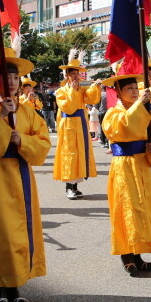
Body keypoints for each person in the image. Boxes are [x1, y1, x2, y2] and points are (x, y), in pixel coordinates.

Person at [0, 47, 51, 302]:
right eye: (6, 78)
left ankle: (15, 285)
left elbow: (43, 142)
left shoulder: (29, 112)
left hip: (21, 175)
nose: (13, 82)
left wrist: (23, 140)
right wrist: (3, 118)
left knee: (19, 232)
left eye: (16, 78)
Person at [101, 72, 151, 275]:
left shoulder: (145, 111)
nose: (134, 92)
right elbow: (124, 129)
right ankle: (126, 253)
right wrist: (140, 106)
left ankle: (139, 252)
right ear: (118, 93)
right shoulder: (112, 113)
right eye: (129, 89)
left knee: (142, 209)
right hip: (125, 166)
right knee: (127, 208)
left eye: (136, 88)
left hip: (143, 165)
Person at [53, 56, 101, 200]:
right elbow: (68, 107)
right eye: (72, 74)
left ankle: (75, 187)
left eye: (77, 73)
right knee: (70, 155)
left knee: (81, 154)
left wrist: (95, 86)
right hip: (68, 126)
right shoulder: (61, 91)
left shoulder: (81, 89)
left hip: (81, 125)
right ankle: (69, 187)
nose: (75, 76)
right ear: (67, 76)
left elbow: (92, 99)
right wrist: (72, 91)